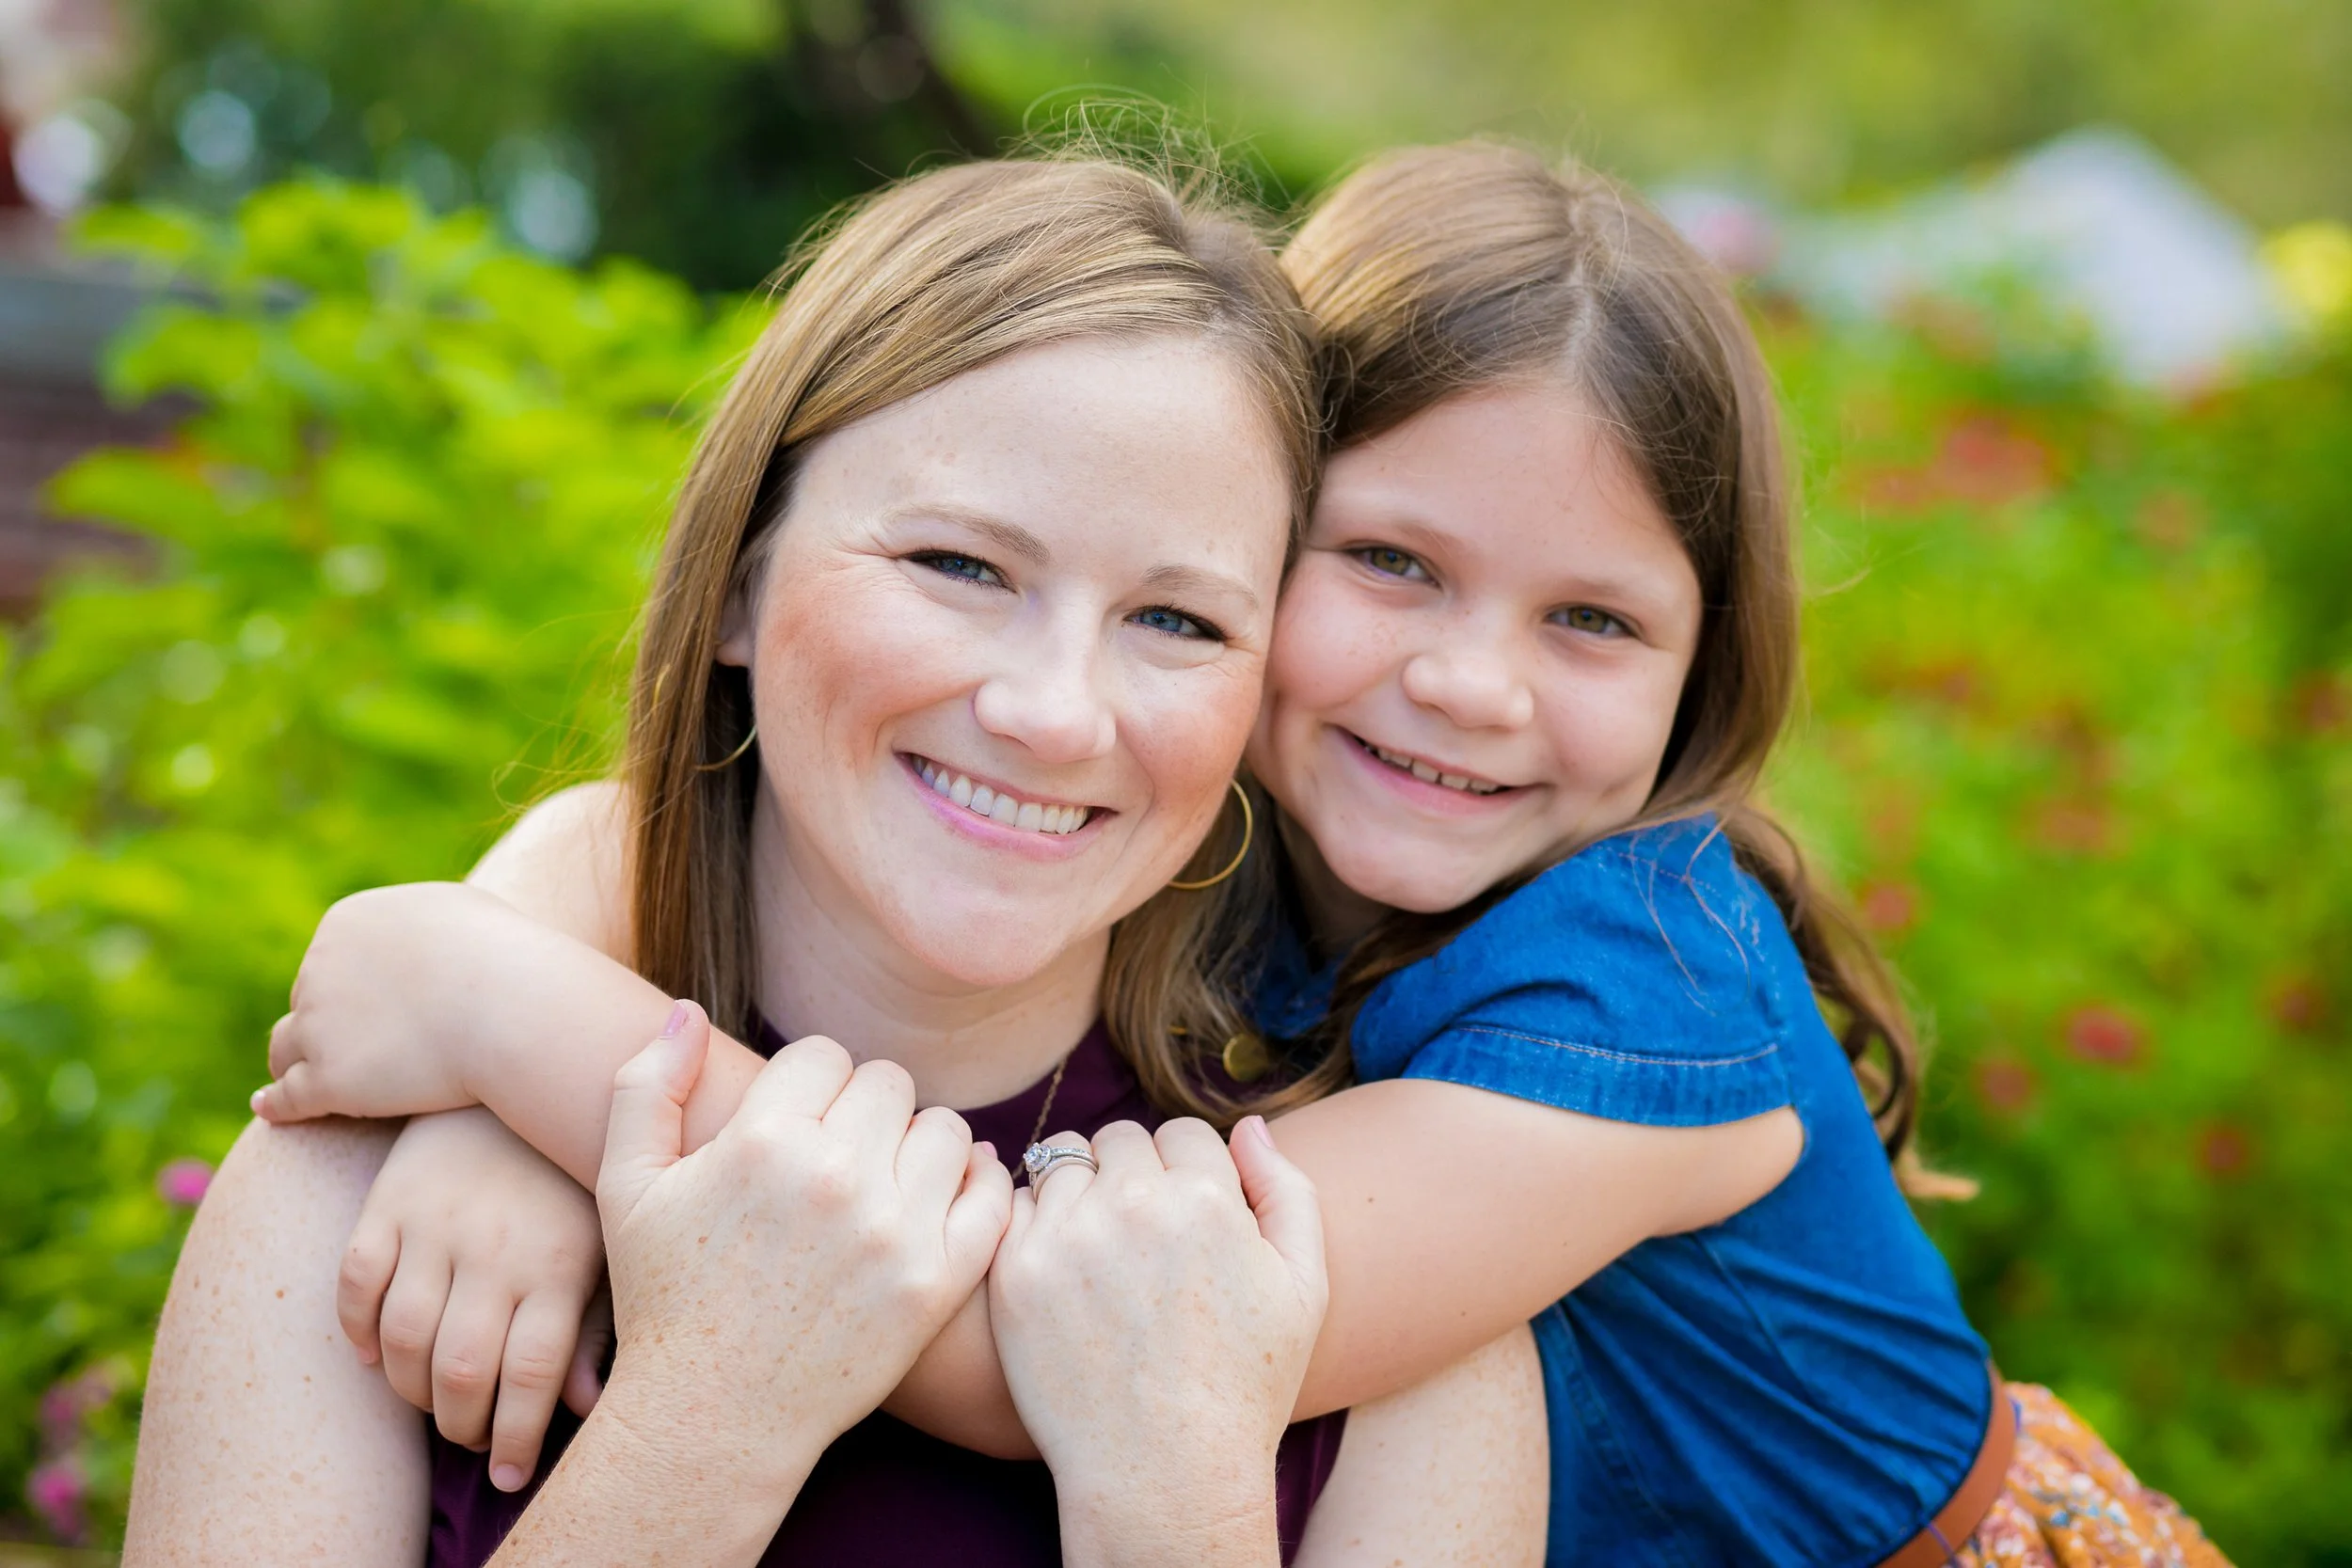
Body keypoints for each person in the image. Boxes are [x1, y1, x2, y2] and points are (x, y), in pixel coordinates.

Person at [250, 140, 2236, 1565]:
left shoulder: (1639, 984)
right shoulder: (1228, 862)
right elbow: (665, 832)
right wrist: (484, 1049)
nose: (1467, 683)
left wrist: (508, 1029)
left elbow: (1068, 1338)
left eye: (1593, 621)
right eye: (1387, 563)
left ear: (1708, 669)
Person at [122, 150, 1548, 1567]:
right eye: (960, 566)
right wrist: (713, 1414)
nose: (1054, 711)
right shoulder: (381, 1188)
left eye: (1179, 621)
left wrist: (1175, 1512)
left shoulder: (1360, 1302)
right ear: (738, 580)